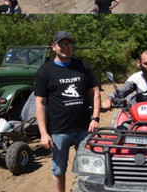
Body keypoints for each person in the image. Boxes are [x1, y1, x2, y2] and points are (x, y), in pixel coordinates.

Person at [35, 31, 100, 192]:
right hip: (58, 131)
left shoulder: (82, 66)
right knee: (58, 169)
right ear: (54, 46)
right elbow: (40, 103)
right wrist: (43, 133)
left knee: (89, 168)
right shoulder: (45, 70)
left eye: (69, 44)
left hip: (84, 129)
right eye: (62, 44)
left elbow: (96, 92)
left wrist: (95, 118)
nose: (66, 47)